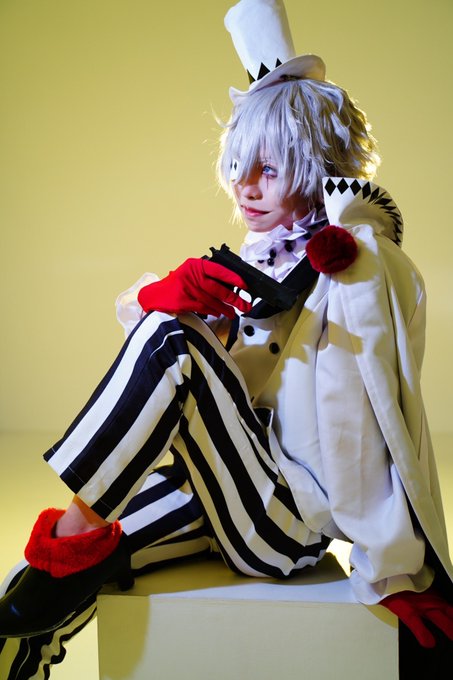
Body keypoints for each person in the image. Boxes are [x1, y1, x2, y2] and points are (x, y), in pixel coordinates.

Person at [1, 0, 452, 677]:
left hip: (283, 522)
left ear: (318, 164)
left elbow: (361, 422)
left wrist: (393, 569)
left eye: (267, 169)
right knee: (28, 587)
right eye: (238, 164)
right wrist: (163, 295)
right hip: (219, 488)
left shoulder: (351, 263)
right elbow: (194, 393)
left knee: (171, 343)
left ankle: (75, 531)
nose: (244, 187)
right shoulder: (258, 254)